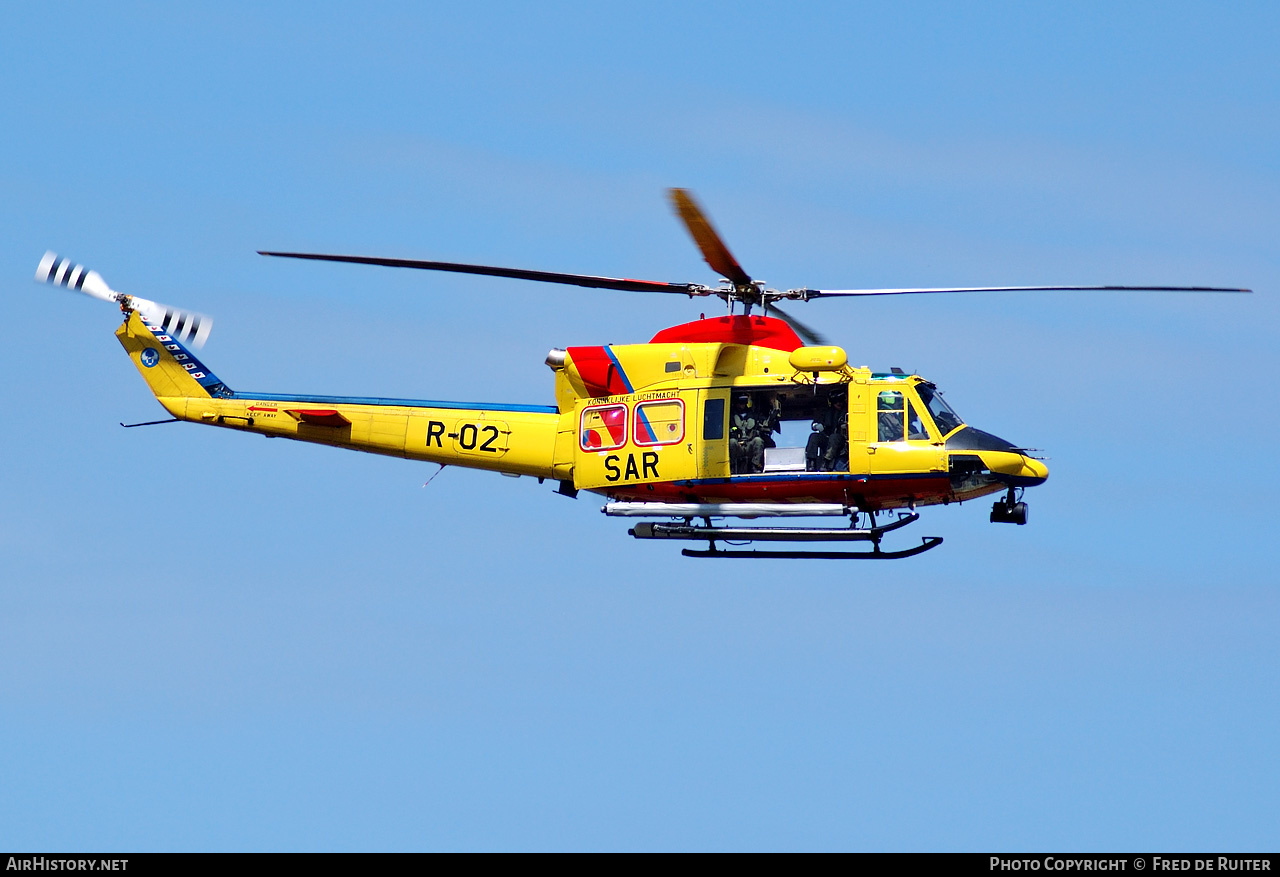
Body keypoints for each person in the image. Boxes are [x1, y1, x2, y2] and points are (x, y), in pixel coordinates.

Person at [729, 395, 765, 474]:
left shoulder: (754, 415)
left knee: (758, 441)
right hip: (738, 446)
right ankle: (731, 466)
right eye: (740, 403)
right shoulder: (730, 416)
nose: (742, 405)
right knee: (732, 442)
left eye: (743, 403)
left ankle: (755, 465)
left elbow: (764, 424)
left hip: (749, 444)